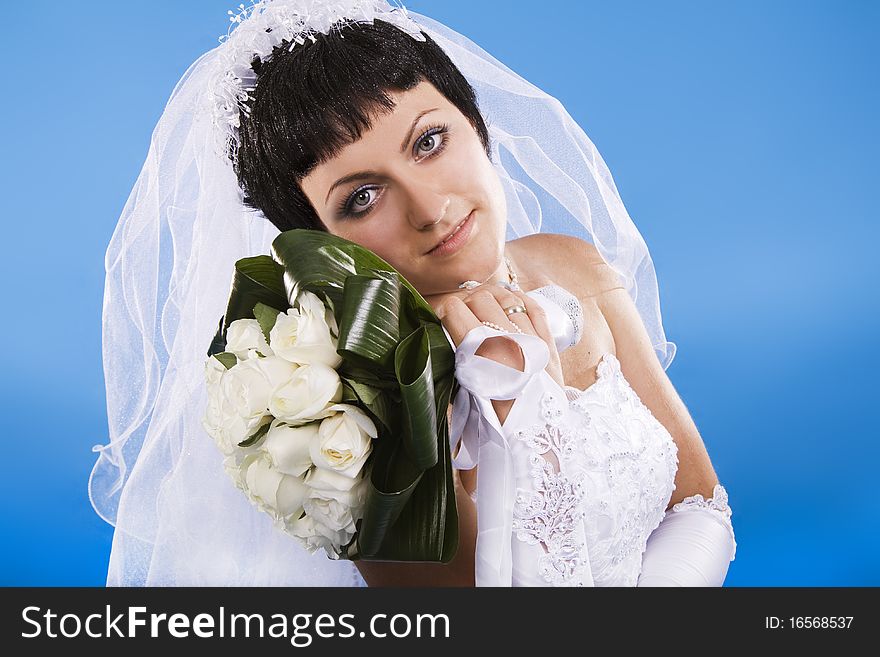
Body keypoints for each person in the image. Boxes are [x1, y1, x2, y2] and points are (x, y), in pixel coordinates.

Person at [89, 0, 736, 586]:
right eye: (362, 197)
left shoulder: (570, 267)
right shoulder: (353, 411)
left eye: (430, 140)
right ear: (320, 241)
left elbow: (700, 503)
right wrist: (517, 411)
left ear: (476, 122)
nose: (430, 209)